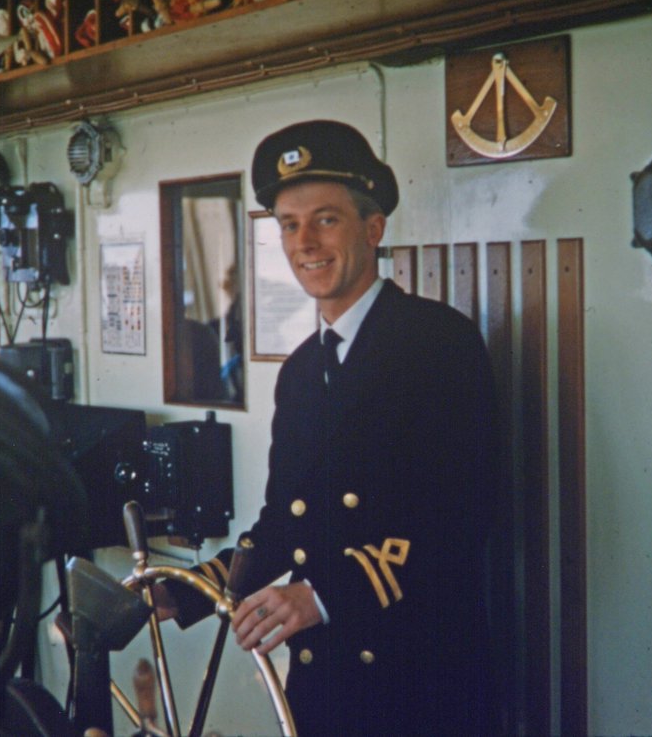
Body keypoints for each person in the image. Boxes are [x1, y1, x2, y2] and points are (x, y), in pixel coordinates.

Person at [157, 120, 511, 735]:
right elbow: (281, 525)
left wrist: (319, 596)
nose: (305, 243)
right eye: (289, 225)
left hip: (417, 681)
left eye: (325, 219)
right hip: (323, 680)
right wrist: (178, 591)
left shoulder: (436, 343)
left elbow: (460, 520)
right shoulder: (300, 371)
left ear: (373, 229)